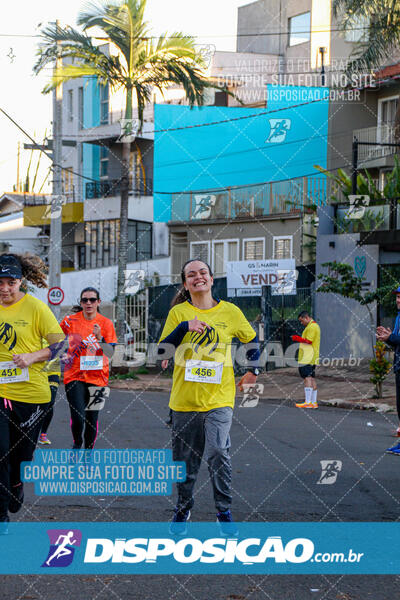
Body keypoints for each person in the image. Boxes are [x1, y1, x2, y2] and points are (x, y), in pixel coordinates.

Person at [158, 259, 260, 535]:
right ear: (186, 283)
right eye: (191, 274)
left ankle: (223, 511)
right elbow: (162, 352)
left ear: (212, 279)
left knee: (218, 452)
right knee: (185, 463)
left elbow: (251, 340)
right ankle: (183, 508)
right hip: (184, 400)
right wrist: (184, 328)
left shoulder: (230, 311)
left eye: (203, 272)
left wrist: (254, 370)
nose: (198, 277)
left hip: (220, 399)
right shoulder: (179, 313)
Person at [0, 253, 64, 533]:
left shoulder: (36, 308)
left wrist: (33, 356)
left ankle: (17, 482)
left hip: (32, 395)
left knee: (21, 456)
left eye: (10, 282)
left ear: (21, 281)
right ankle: (1, 512)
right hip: (1, 392)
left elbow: (61, 346)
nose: (4, 288)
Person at [60, 287, 117, 450]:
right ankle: (77, 443)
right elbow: (53, 336)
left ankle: (88, 452)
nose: (88, 303)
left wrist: (101, 338)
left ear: (98, 302)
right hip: (74, 375)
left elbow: (111, 352)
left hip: (98, 377)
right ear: (81, 302)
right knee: (78, 416)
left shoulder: (106, 323)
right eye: (85, 300)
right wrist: (61, 354)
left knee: (92, 418)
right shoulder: (70, 320)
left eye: (92, 300)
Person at [376, 285, 400, 452]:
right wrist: (388, 338)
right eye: (397, 297)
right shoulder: (399, 317)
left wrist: (391, 336)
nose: (398, 300)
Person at [291, 311, 321, 409]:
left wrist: (297, 338)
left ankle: (308, 402)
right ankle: (313, 402)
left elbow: (308, 341)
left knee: (307, 378)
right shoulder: (314, 326)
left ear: (306, 318)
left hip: (307, 357)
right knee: (311, 378)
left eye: (301, 320)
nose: (301, 323)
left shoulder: (312, 327)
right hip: (312, 357)